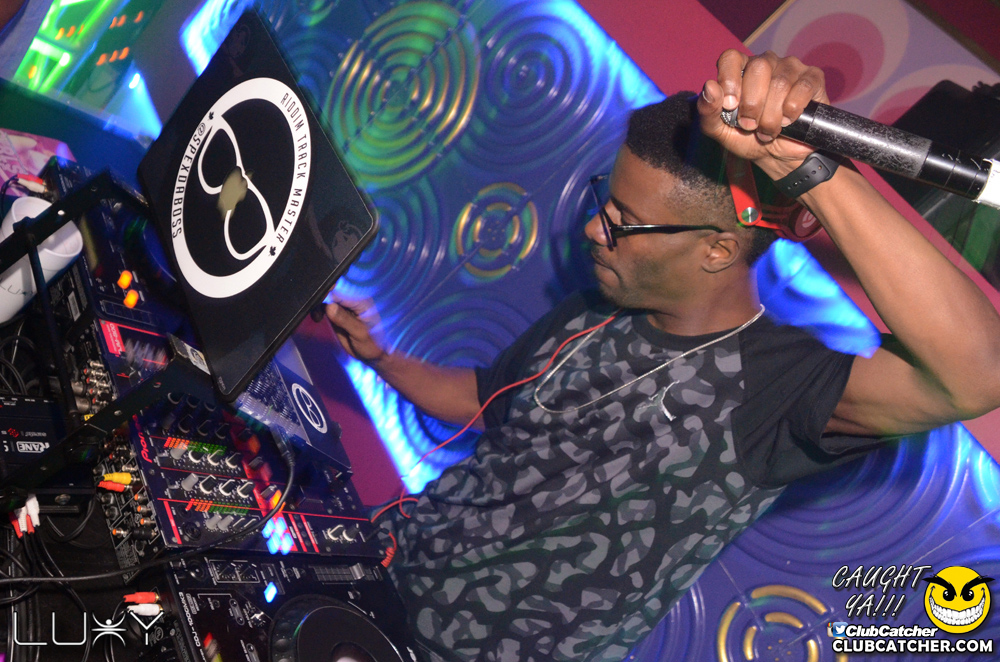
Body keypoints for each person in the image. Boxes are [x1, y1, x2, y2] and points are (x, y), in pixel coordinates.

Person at [326, 50, 1000, 662]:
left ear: (718, 249)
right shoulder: (599, 305)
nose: (594, 228)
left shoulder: (773, 385)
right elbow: (485, 398)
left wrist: (804, 165)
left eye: (624, 219)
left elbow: (977, 376)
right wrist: (382, 358)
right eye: (606, 201)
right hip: (377, 570)